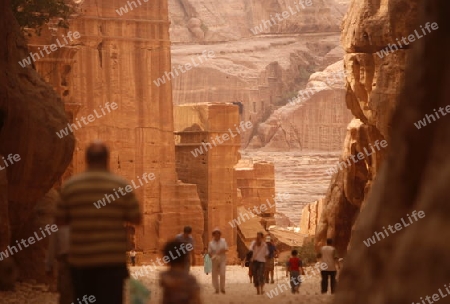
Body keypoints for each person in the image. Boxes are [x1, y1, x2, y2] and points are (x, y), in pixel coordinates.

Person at [56, 141, 141, 304]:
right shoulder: (120, 186)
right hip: (112, 261)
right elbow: (136, 218)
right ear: (107, 159)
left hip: (81, 260)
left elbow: (60, 220)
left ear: (86, 160)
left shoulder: (71, 187)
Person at [160, 240, 203, 304]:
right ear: (185, 259)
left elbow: (166, 282)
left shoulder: (165, 275)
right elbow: (197, 299)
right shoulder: (190, 279)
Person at [45, 224, 73, 304]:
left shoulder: (60, 224)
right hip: (72, 261)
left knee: (66, 291)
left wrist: (48, 266)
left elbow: (52, 247)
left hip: (68, 260)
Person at [208, 227, 228, 294]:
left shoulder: (223, 241)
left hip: (222, 259)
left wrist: (220, 251)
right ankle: (216, 289)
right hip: (214, 260)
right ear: (213, 235)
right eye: (215, 234)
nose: (217, 235)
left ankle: (222, 288)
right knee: (214, 275)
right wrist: (212, 256)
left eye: (218, 234)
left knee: (222, 274)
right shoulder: (211, 243)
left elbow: (226, 249)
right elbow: (209, 252)